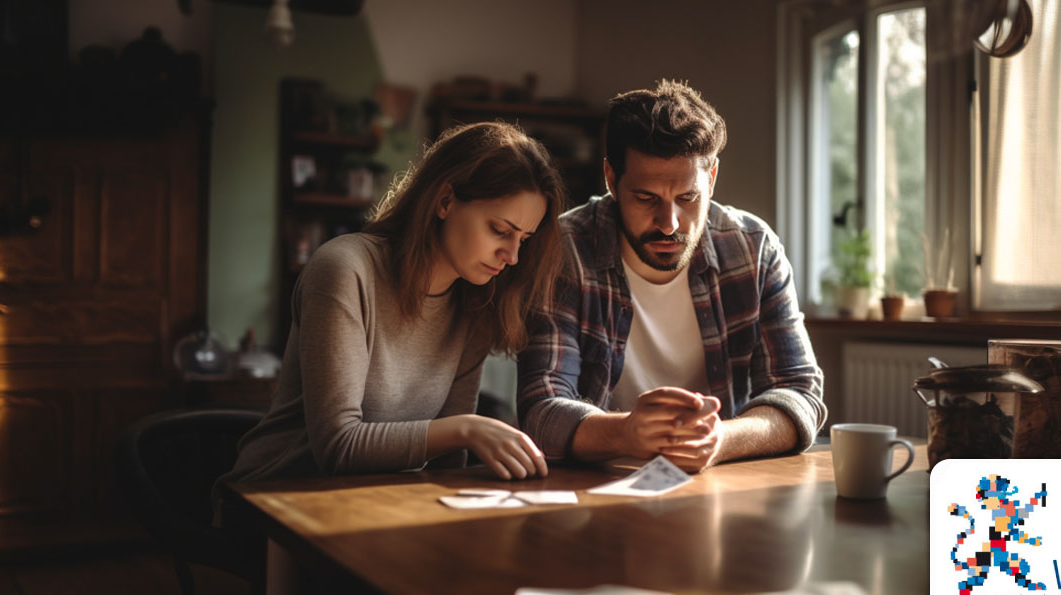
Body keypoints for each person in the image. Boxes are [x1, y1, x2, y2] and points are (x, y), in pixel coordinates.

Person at [215, 122, 565, 513]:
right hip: (278, 502)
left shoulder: (476, 305)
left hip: (376, 501)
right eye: (500, 230)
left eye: (525, 240)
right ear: (445, 200)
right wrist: (467, 430)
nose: (513, 256)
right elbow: (338, 446)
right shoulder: (345, 269)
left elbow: (446, 467)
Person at [516, 80, 827, 472]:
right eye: (646, 198)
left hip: (717, 483)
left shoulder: (753, 249)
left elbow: (799, 393)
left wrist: (719, 441)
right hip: (593, 487)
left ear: (711, 178)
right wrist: (627, 432)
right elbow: (540, 408)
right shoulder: (564, 250)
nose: (669, 224)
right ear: (612, 179)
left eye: (688, 198)